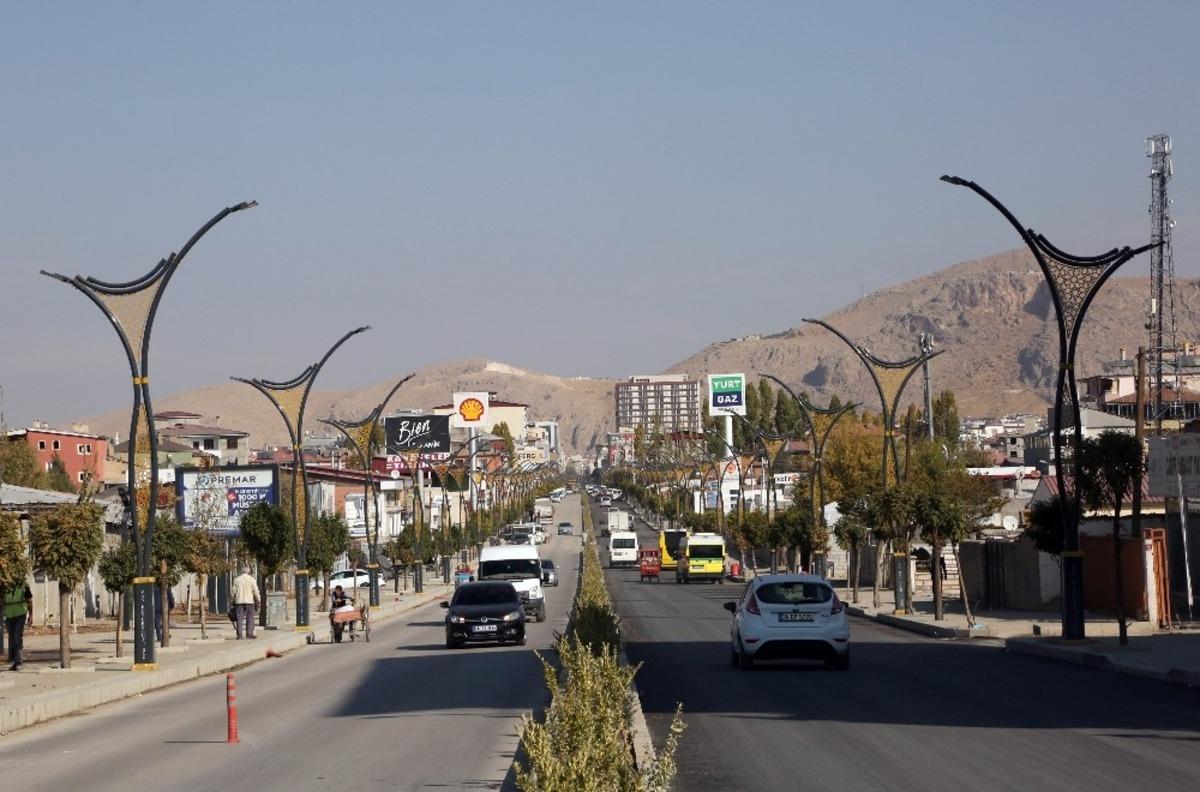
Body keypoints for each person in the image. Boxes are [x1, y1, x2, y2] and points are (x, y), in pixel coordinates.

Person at [4, 581, 33, 671]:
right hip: (9, 615)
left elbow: (29, 601)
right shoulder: (5, 585)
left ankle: (18, 660)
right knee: (12, 638)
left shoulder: (23, 585)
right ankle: (14, 660)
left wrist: (31, 616)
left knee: (17, 635)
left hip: (21, 614)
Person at [232, 566, 261, 640]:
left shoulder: (237, 580)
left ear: (242, 572)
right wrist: (258, 599)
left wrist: (232, 600)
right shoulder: (251, 579)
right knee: (250, 618)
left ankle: (240, 635)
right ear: (249, 572)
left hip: (239, 601)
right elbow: (255, 591)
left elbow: (233, 591)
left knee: (239, 618)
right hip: (249, 602)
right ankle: (249, 634)